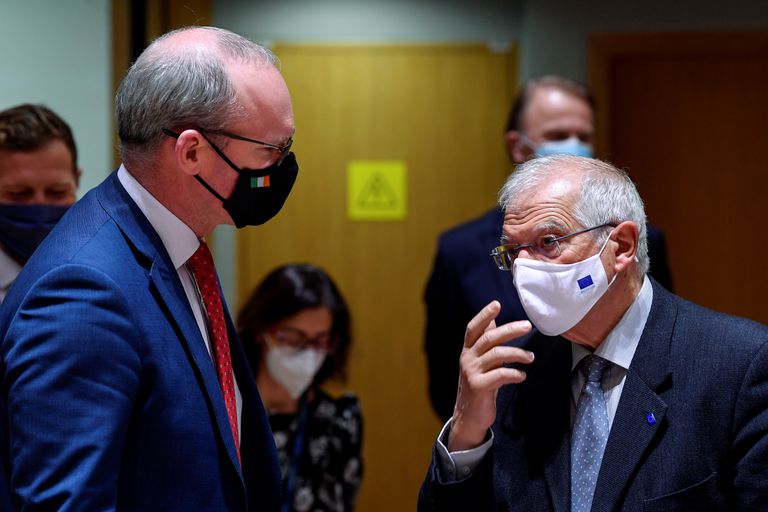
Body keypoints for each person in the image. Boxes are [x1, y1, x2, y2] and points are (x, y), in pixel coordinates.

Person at [0, 26, 299, 511]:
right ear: (192, 152)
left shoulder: (177, 244)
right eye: (270, 149)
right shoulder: (85, 291)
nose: (282, 165)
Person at [418, 154, 768, 511]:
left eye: (549, 242)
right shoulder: (511, 375)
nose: (524, 268)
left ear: (622, 247)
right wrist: (465, 435)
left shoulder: (740, 367)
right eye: (513, 251)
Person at [424, 75, 673, 422]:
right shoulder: (460, 251)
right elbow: (446, 376)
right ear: (518, 146)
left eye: (584, 137)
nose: (574, 145)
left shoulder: (632, 238)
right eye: (558, 136)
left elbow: (660, 337)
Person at [237, 264, 363, 512]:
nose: (307, 353)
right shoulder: (225, 412)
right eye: (294, 337)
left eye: (319, 340)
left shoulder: (339, 422)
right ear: (260, 329)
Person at [0, 103, 81, 302]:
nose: (39, 205)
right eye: (19, 193)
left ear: (77, 180)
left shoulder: (106, 272)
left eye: (57, 192)